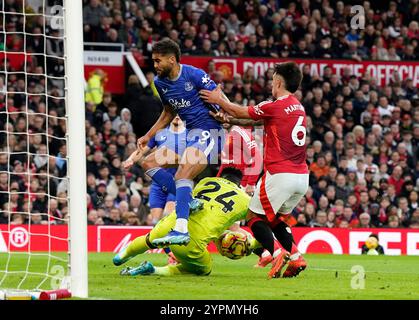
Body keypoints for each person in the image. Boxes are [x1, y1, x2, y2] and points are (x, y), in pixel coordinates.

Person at [200, 61, 309, 279]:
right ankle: (296, 257)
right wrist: (229, 120)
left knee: (253, 217)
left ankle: (277, 253)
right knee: (275, 219)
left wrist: (218, 100)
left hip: (280, 174)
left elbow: (240, 110)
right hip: (301, 177)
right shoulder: (298, 107)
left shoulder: (274, 105)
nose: (271, 84)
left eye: (272, 80)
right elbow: (258, 122)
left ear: (278, 82)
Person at [134, 39, 224, 246]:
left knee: (182, 173)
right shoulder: (160, 83)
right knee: (148, 163)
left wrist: (226, 115)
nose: (155, 65)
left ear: (172, 60)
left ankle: (181, 230)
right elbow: (168, 112)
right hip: (189, 134)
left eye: (158, 61)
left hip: (209, 131)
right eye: (153, 61)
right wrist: (148, 135)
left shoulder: (194, 74)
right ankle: (189, 201)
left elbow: (220, 98)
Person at [113, 167, 253, 277]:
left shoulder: (206, 182)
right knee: (204, 269)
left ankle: (120, 257)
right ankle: (154, 270)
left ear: (221, 177)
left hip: (172, 223)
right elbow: (256, 222)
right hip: (190, 242)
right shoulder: (245, 199)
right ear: (239, 183)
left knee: (147, 240)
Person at [124, 116, 187, 225]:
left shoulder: (189, 134)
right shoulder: (159, 133)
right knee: (155, 222)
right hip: (158, 184)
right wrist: (130, 160)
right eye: (174, 113)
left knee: (168, 214)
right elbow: (141, 151)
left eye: (179, 113)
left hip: (176, 181)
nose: (177, 116)